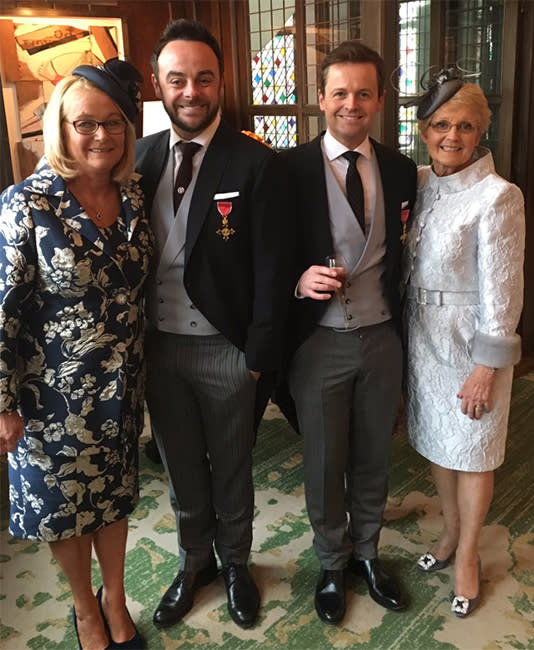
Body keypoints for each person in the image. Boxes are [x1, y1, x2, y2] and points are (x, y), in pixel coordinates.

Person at [135, 19, 291, 630]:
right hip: (160, 349)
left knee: (231, 467)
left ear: (221, 82)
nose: (191, 91)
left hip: (228, 350)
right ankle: (192, 561)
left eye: (204, 78)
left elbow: (273, 271)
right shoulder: (140, 158)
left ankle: (234, 565)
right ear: (159, 84)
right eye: (178, 79)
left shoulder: (255, 162)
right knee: (179, 466)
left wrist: (257, 355)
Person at [0, 58, 151, 649]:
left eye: (114, 123)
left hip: (121, 390)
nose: (101, 136)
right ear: (60, 126)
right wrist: (4, 402)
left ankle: (116, 599)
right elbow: (2, 310)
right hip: (49, 399)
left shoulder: (133, 197)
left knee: (112, 500)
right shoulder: (26, 204)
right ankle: (85, 610)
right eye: (85, 123)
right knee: (65, 510)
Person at [276, 41, 417, 625]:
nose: (351, 104)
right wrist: (295, 279)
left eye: (363, 93)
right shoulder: (285, 170)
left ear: (380, 100)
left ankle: (367, 554)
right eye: (340, 93)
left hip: (383, 337)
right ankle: (331, 563)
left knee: (373, 457)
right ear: (320, 99)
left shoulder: (403, 168)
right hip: (319, 340)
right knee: (324, 459)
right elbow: (264, 257)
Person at [402, 69, 525, 618]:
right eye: (441, 125)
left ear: (482, 133)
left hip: (468, 344)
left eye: (466, 127)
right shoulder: (422, 183)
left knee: (473, 451)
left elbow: (504, 288)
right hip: (421, 339)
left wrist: (486, 366)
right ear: (424, 131)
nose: (453, 136)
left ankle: (469, 553)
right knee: (438, 442)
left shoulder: (499, 196)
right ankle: (450, 534)